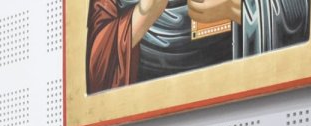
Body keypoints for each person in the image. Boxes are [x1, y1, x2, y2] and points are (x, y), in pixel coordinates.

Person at [86, 0, 231, 92]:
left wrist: (236, 8)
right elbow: (97, 65)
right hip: (144, 85)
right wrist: (143, 14)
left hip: (218, 73)